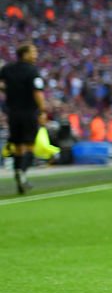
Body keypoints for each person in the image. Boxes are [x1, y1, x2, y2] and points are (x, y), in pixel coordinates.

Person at [0, 43, 47, 194]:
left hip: (12, 113)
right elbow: (37, 93)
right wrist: (42, 111)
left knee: (18, 147)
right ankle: (22, 173)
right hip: (28, 112)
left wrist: (9, 90)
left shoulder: (7, 69)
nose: (36, 55)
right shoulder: (33, 71)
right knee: (30, 146)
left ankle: (19, 177)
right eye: (33, 52)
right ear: (24, 54)